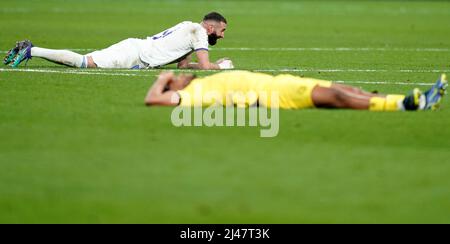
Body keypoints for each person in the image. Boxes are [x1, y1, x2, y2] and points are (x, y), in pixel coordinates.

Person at [4, 12, 233, 70]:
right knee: (84, 63)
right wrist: (220, 67)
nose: (222, 35)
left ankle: (32, 50)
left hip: (136, 49)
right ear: (210, 27)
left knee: (86, 61)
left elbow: (183, 65)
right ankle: (31, 51)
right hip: (135, 54)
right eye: (221, 30)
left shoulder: (189, 27)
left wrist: (206, 65)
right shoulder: (199, 33)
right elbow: (204, 66)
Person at [144, 70, 447, 111]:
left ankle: (412, 100)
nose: (182, 75)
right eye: (177, 76)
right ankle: (406, 106)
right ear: (174, 86)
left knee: (347, 88)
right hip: (275, 95)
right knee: (340, 97)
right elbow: (152, 99)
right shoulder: (192, 95)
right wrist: (161, 80)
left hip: (279, 82)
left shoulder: (197, 84)